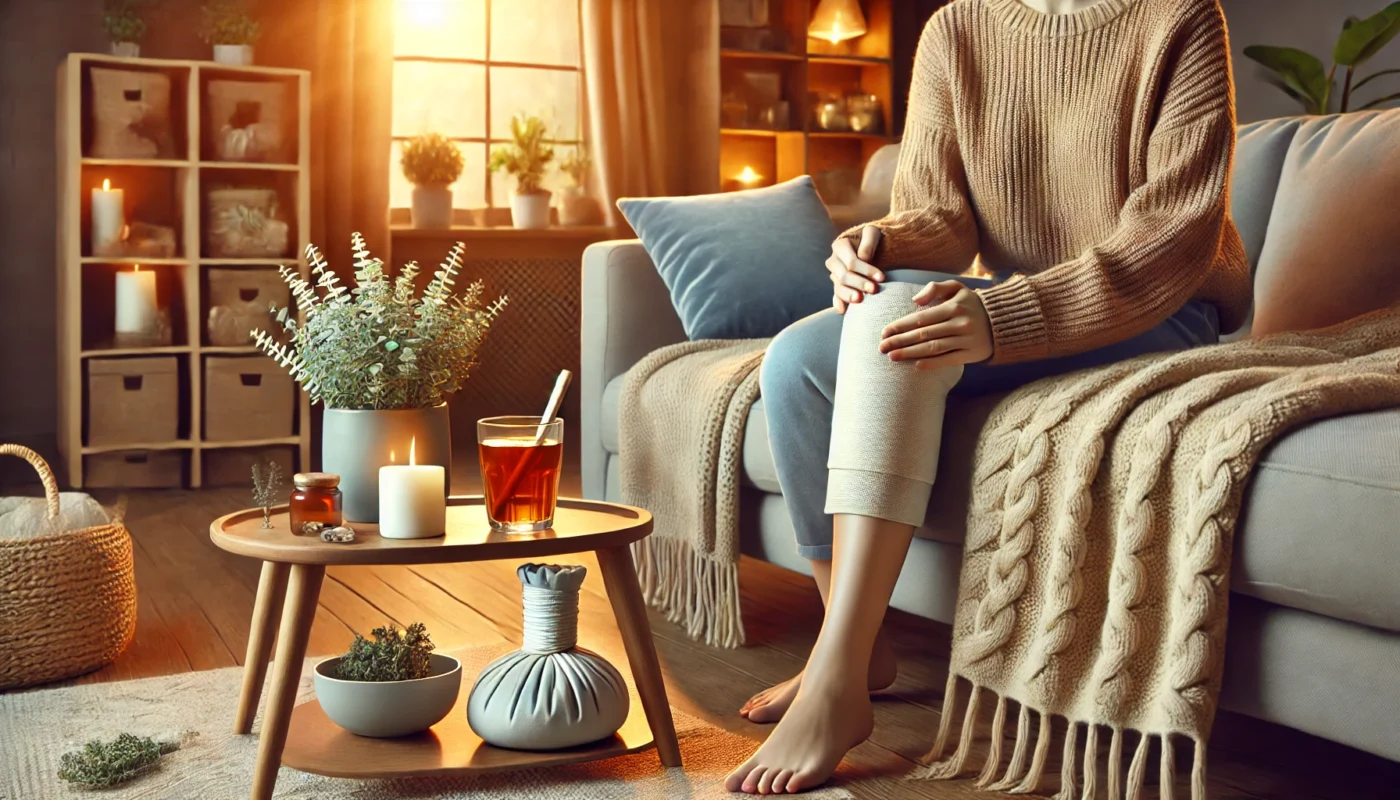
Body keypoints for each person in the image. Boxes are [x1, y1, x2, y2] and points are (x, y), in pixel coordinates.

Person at [724, 0, 1252, 793]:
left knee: (895, 326)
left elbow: (1175, 231)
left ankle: (832, 681)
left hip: (1161, 307)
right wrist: (881, 244)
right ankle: (854, 647)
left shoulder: (1177, 17)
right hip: (1014, 292)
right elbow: (943, 216)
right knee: (801, 355)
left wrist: (1009, 313)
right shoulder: (955, 29)